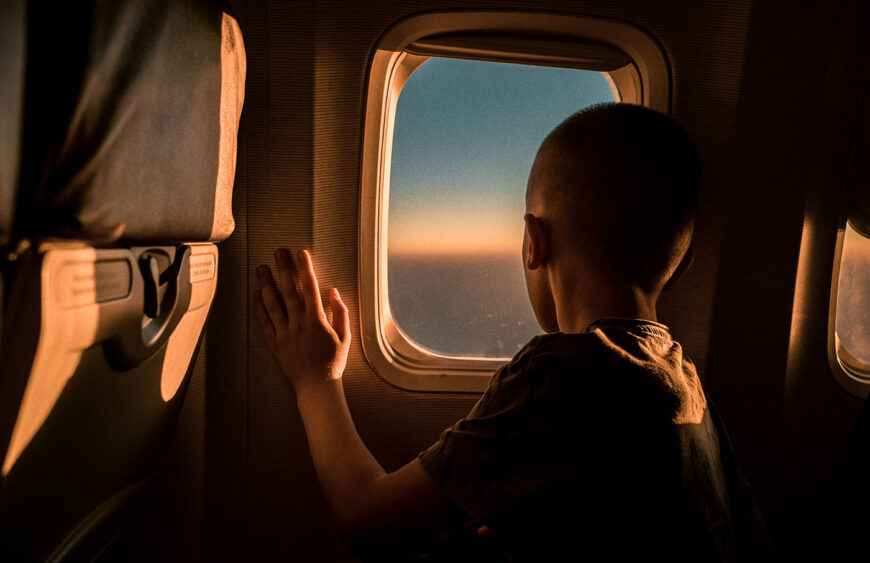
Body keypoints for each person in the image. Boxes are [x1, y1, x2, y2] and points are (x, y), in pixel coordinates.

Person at [253, 103, 773, 561]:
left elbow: (366, 524)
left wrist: (315, 379)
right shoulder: (688, 385)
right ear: (681, 267)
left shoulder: (563, 375)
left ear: (533, 243)